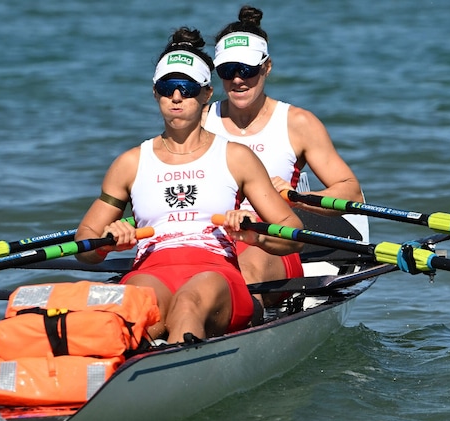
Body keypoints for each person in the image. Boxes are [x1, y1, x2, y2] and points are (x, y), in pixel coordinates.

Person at [75, 26, 303, 344]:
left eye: (187, 87)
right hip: (151, 270)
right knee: (126, 310)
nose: (177, 97)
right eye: (168, 88)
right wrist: (107, 244)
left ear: (207, 93)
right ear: (156, 92)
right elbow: (84, 242)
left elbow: (292, 232)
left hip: (217, 274)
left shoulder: (236, 157)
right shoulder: (129, 163)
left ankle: (177, 379)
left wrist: (256, 235)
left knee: (189, 302)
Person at [203, 5, 366, 307]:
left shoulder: (298, 123)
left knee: (242, 273)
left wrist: (295, 198)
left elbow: (351, 192)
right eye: (227, 71)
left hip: (273, 240)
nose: (237, 80)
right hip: (211, 236)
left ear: (266, 67)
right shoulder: (200, 120)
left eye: (247, 70)